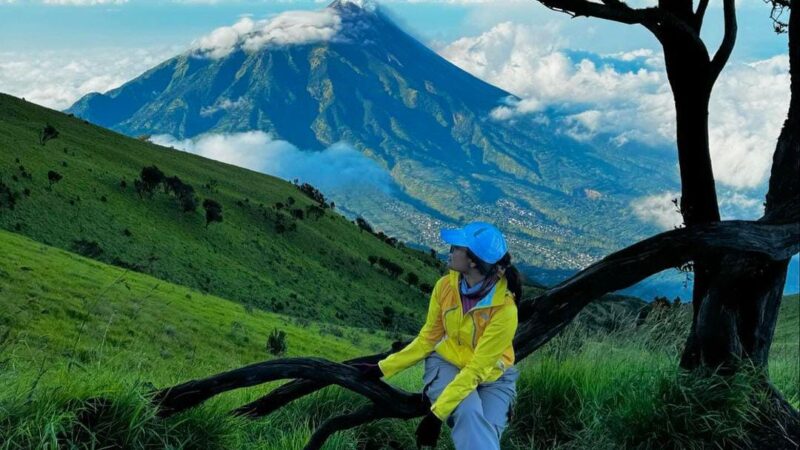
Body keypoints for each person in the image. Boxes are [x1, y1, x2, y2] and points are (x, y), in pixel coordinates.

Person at [353, 221, 522, 450]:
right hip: (446, 362)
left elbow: (477, 368)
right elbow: (428, 339)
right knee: (469, 411)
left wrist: (435, 417)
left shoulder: (504, 310)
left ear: (473, 261)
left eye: (456, 247)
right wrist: (382, 368)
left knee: (485, 431)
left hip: (494, 374)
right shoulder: (445, 287)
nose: (450, 251)